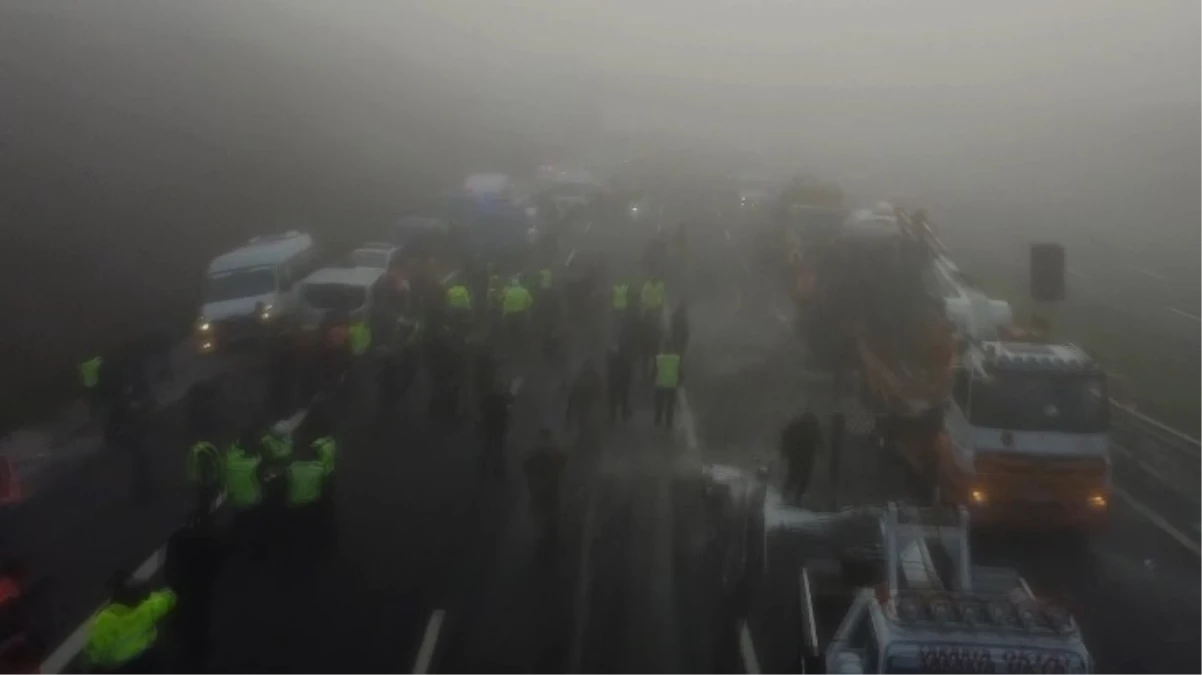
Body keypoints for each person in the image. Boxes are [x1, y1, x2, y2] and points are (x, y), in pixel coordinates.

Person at [163, 510, 221, 674]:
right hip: (209, 608)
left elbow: (170, 576)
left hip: (186, 607)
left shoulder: (179, 541)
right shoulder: (218, 543)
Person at [85, 574, 176, 674]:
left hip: (113, 666)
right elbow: (166, 599)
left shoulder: (103, 619)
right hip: (142, 658)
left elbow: (95, 651)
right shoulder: (145, 611)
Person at [523, 429, 566, 542]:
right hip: (548, 492)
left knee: (542, 517)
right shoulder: (553, 452)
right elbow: (563, 464)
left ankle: (540, 538)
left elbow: (526, 467)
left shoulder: (536, 453)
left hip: (541, 492)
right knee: (549, 518)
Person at [780, 411, 821, 501]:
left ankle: (789, 494)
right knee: (803, 476)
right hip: (805, 455)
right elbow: (819, 440)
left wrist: (784, 452)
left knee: (795, 475)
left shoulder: (796, 426)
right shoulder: (813, 427)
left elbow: (786, 437)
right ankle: (795, 495)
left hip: (796, 454)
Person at [478, 384, 512, 478]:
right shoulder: (502, 399)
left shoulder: (488, 398)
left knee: (487, 445)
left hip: (489, 424)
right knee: (498, 448)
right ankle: (498, 469)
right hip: (499, 426)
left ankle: (483, 465)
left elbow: (481, 408)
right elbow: (506, 413)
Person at [566, 360, 604, 433]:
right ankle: (586, 430)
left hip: (585, 400)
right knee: (586, 415)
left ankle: (585, 430)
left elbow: (576, 388)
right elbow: (599, 388)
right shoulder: (594, 376)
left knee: (584, 415)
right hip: (588, 400)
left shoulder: (582, 375)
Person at [652, 347, 683, 429]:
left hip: (660, 384)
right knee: (670, 404)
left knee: (659, 402)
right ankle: (668, 421)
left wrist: (652, 380)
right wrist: (679, 381)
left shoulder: (659, 358)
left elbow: (654, 370)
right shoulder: (676, 359)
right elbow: (681, 372)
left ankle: (658, 419)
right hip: (672, 385)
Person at [606, 344, 634, 423]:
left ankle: (613, 417)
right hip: (623, 383)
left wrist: (609, 381)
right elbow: (629, 373)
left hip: (614, 383)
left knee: (613, 401)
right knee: (624, 400)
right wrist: (628, 382)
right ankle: (624, 415)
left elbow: (609, 372)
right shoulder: (626, 361)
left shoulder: (612, 360)